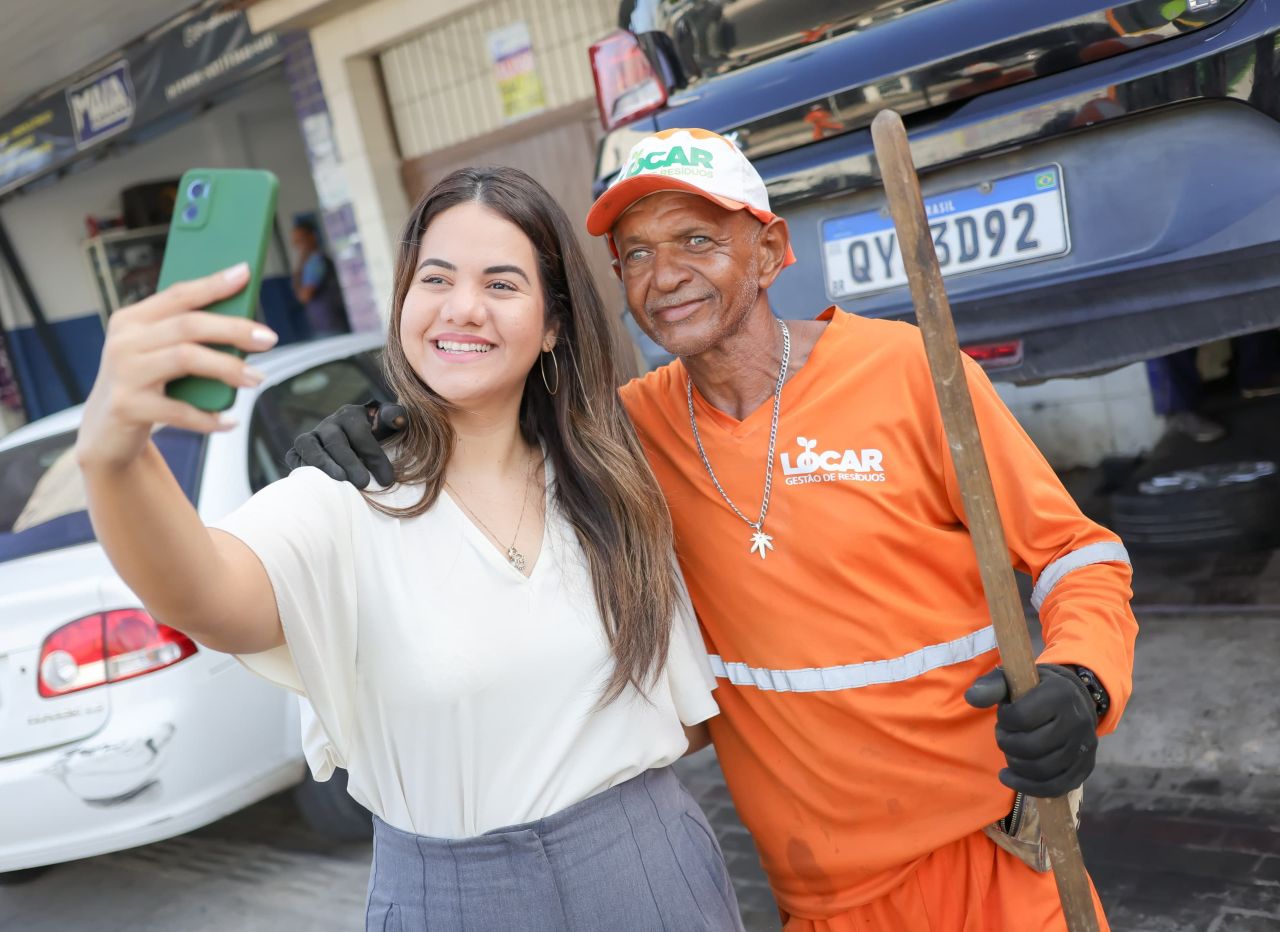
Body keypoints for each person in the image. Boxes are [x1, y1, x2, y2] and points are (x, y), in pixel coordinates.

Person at [292, 129, 1139, 932]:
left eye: (696, 241)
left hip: (1000, 853)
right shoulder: (623, 435)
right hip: (824, 893)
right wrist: (388, 424)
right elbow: (493, 434)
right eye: (637, 255)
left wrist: (1083, 681)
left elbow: (1078, 553)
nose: (664, 275)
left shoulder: (909, 371)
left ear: (770, 252)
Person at [74, 166, 745, 932]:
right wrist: (114, 453)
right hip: (451, 896)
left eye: (502, 285)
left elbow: (689, 720)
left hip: (649, 866)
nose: (463, 308)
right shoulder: (341, 496)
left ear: (553, 323)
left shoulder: (614, 479)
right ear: (402, 302)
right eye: (436, 278)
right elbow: (205, 596)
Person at [291, 215, 350, 338]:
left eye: (300, 240)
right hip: (326, 324)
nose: (298, 246)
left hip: (330, 324)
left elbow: (305, 296)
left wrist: (299, 265)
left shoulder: (316, 262)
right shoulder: (310, 262)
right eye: (296, 242)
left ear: (312, 237)